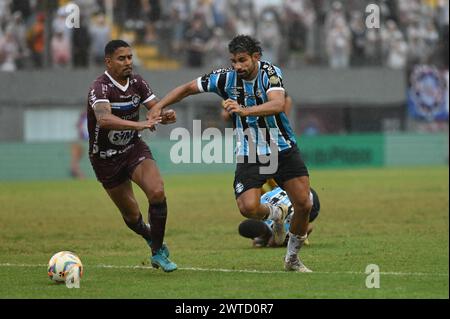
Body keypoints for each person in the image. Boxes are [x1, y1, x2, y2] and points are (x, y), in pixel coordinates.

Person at [148, 35, 313, 272]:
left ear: (256, 57)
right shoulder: (225, 78)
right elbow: (186, 89)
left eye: (243, 60)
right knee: (248, 208)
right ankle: (277, 214)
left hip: (282, 148)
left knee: (304, 204)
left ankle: (292, 259)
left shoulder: (270, 72)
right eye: (234, 61)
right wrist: (157, 106)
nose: (238, 66)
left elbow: (277, 104)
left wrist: (244, 111)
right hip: (250, 152)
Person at [86, 40, 177, 272]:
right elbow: (104, 120)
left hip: (133, 149)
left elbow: (154, 107)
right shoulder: (100, 87)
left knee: (157, 191)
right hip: (105, 158)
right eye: (122, 58)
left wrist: (163, 115)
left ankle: (157, 252)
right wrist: (138, 125)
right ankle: (149, 235)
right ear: (108, 61)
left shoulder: (137, 82)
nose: (128, 62)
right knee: (132, 215)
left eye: (130, 57)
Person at [239, 187, 320, 248]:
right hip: (294, 187)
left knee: (301, 221)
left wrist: (291, 238)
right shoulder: (258, 205)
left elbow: (309, 227)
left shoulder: (276, 234)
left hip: (309, 200)